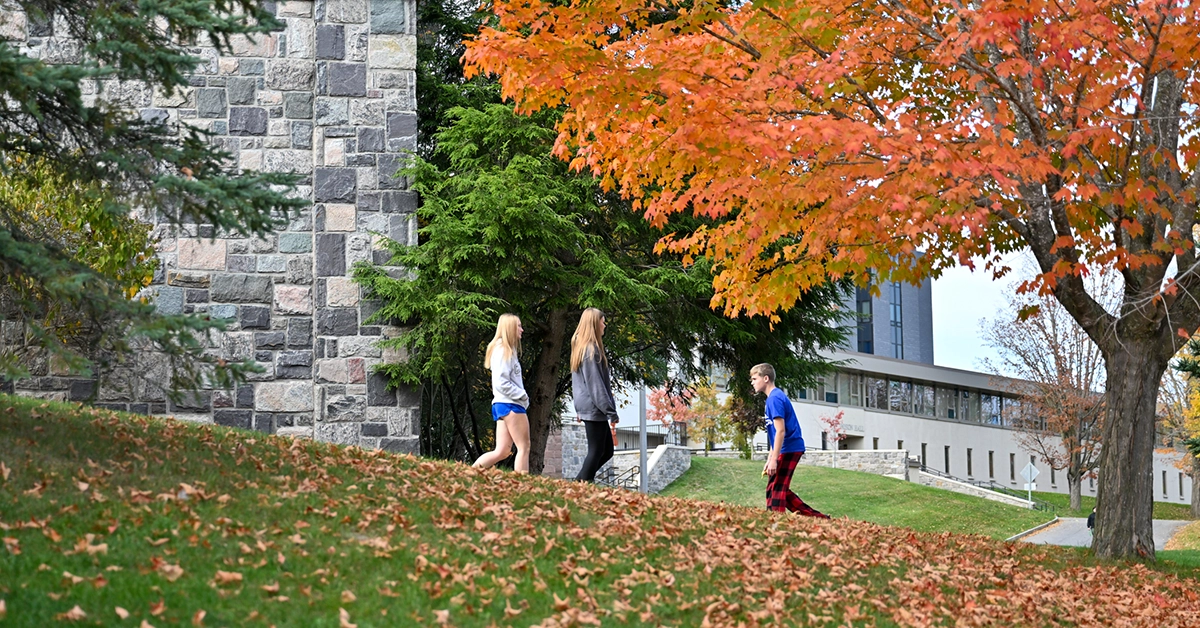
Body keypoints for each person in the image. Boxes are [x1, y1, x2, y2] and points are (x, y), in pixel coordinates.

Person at [751, 363, 829, 518]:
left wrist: (774, 460)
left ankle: (775, 522)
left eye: (754, 378)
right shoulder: (772, 399)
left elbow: (781, 431)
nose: (752, 382)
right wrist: (770, 458)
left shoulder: (774, 399)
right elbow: (774, 435)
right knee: (779, 489)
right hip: (786, 447)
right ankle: (819, 519)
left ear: (765, 378)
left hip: (790, 447)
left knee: (776, 489)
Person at [473, 313, 531, 473]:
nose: (522, 329)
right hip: (511, 404)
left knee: (503, 451)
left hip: (504, 404)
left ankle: (469, 473)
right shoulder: (503, 350)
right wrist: (522, 395)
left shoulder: (505, 349)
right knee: (524, 447)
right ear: (509, 328)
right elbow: (501, 383)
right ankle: (522, 486)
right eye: (518, 326)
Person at [570, 308, 620, 482]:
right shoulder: (590, 350)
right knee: (597, 450)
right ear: (594, 323)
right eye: (602, 321)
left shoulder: (583, 348)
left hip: (590, 406)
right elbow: (596, 385)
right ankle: (582, 485)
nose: (604, 325)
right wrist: (610, 411)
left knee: (606, 450)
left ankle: (579, 483)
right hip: (594, 406)